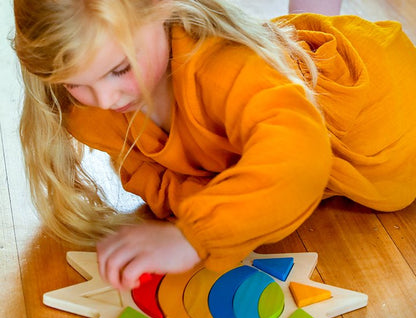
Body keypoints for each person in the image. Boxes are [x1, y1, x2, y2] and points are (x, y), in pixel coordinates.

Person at [13, 0, 416, 290]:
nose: (105, 99)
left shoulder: (223, 65)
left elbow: (300, 159)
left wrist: (193, 237)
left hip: (394, 107)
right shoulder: (94, 111)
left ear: (161, 9)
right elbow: (158, 181)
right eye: (75, 83)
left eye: (119, 70)